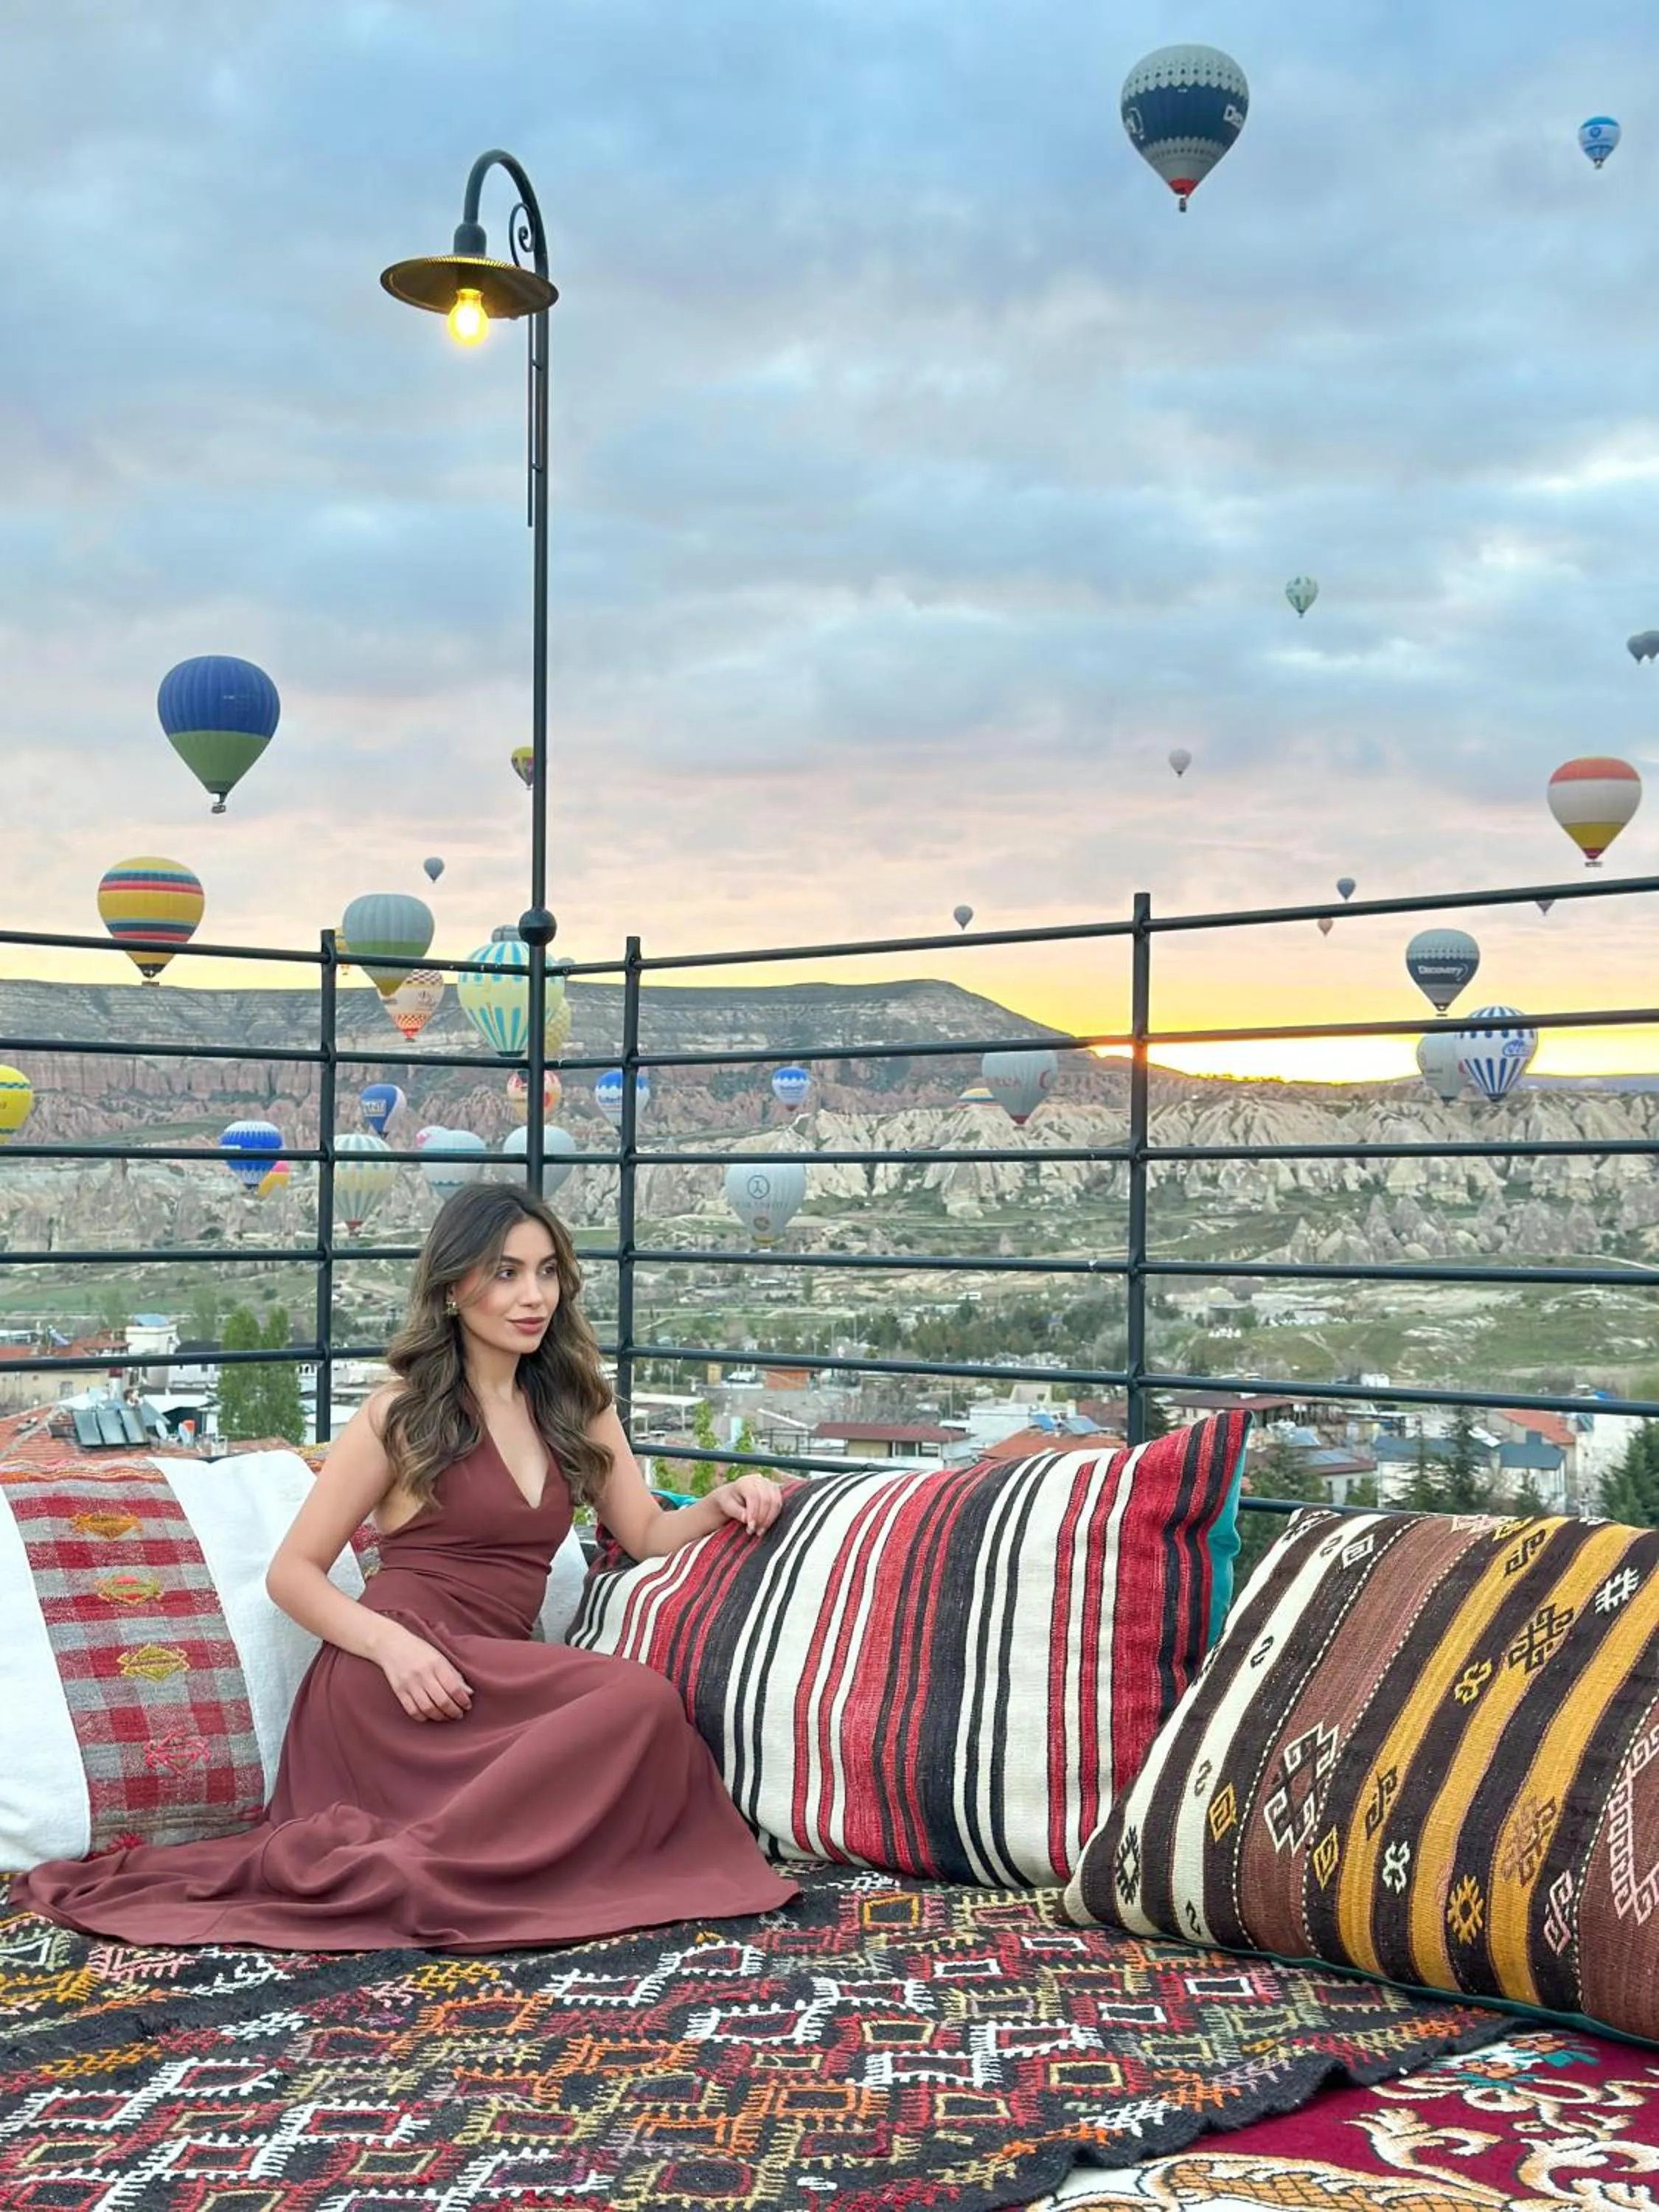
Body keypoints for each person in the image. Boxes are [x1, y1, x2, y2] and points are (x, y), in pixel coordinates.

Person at [12, 1183, 800, 1952]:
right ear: (454, 1288)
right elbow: (294, 1573)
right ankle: (434, 1863)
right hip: (389, 1676)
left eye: (548, 1271)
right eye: (506, 1272)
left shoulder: (576, 1404)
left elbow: (647, 1531)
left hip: (493, 1671)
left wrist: (723, 1500)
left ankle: (443, 1860)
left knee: (638, 1703)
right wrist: (391, 1647)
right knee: (633, 1698)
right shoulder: (402, 1413)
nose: (534, 1296)